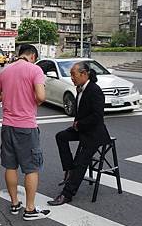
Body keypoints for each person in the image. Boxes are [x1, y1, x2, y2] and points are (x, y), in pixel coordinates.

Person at [0, 44, 50, 221]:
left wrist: (9, 95)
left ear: (19, 54)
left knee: (10, 166)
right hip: (26, 127)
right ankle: (30, 209)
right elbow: (41, 97)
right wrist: (32, 98)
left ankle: (15, 203)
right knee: (31, 168)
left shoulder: (5, 71)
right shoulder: (35, 69)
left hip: (7, 126)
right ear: (32, 56)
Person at [48, 61, 111, 206]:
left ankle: (67, 194)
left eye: (73, 74)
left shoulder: (95, 90)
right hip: (82, 129)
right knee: (61, 136)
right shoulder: (79, 88)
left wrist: (79, 124)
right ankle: (69, 170)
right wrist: (77, 124)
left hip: (94, 133)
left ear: (84, 74)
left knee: (81, 162)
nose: (71, 77)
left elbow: (97, 116)